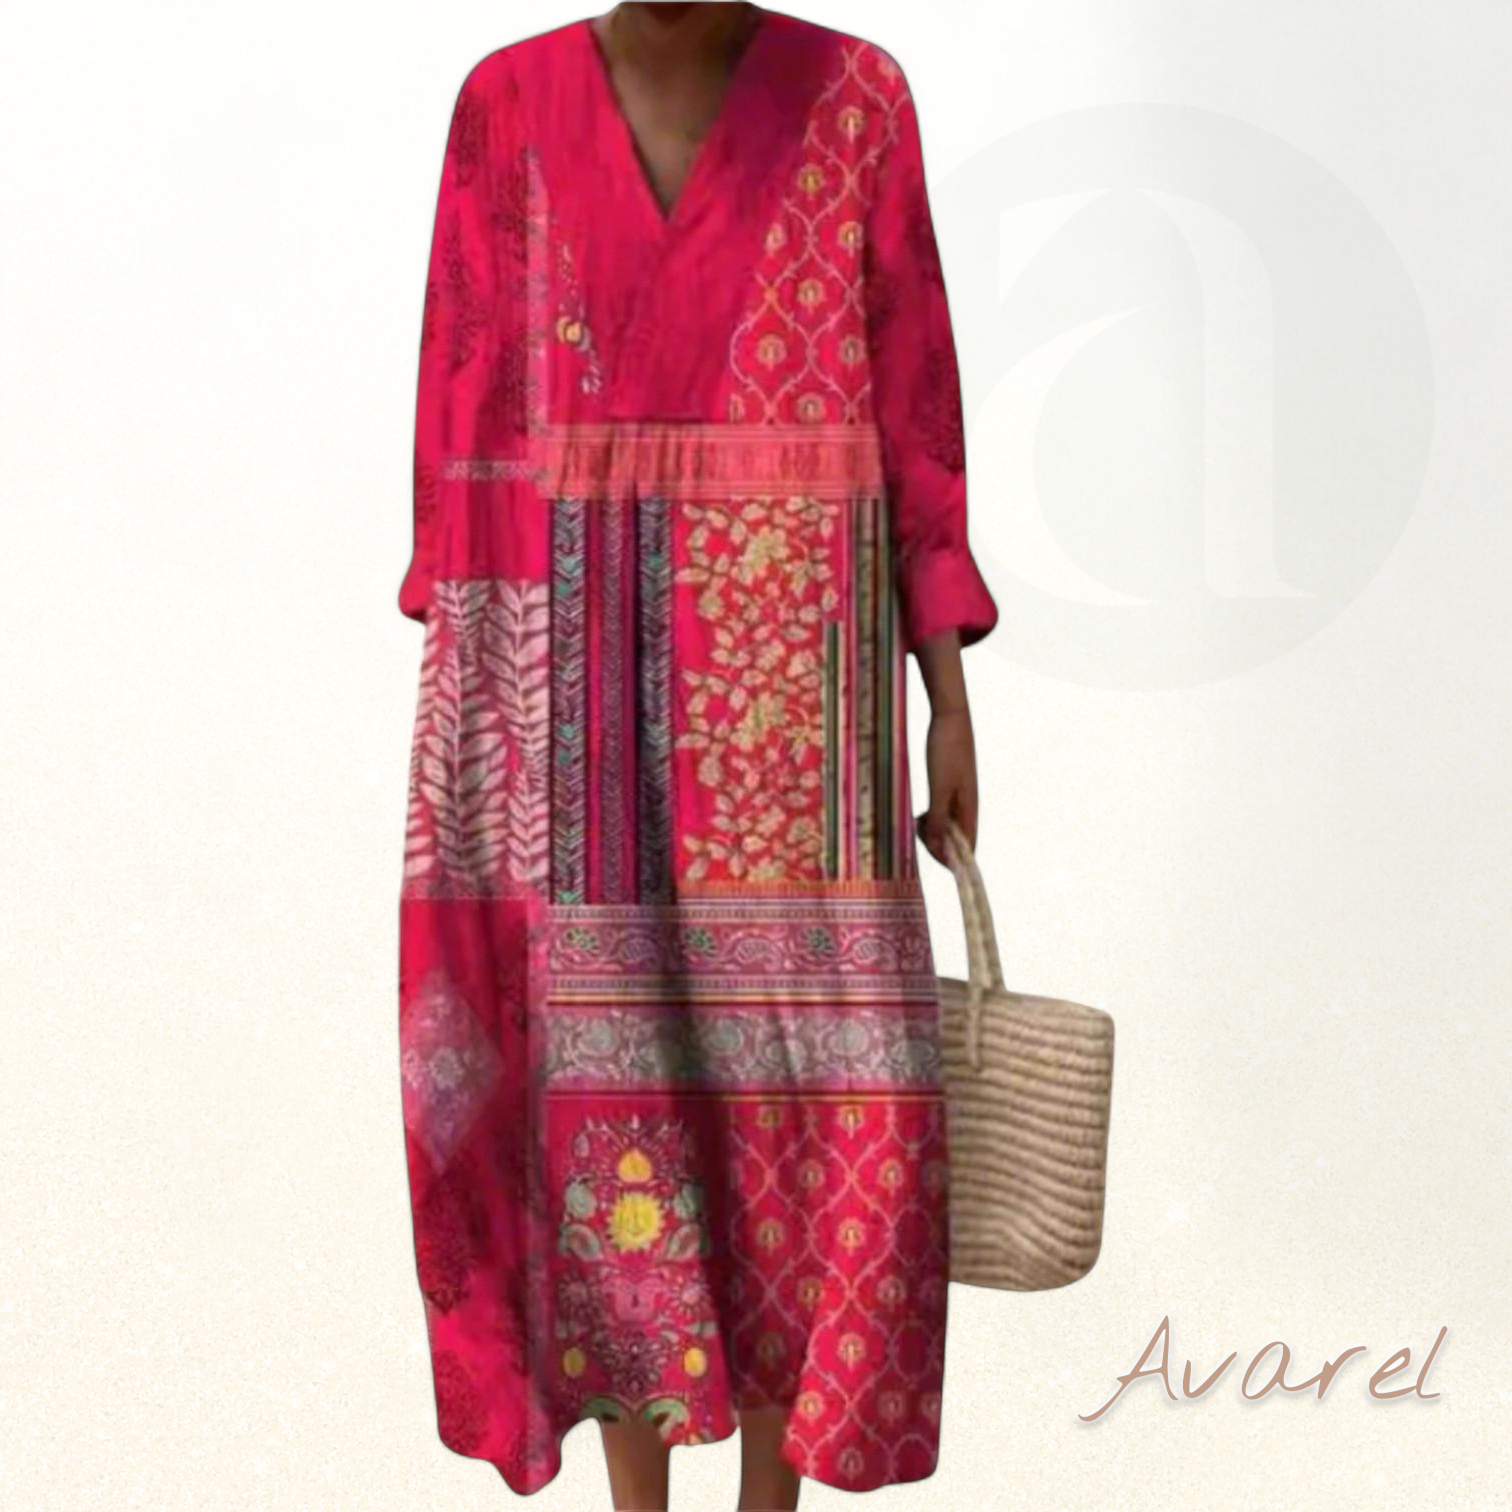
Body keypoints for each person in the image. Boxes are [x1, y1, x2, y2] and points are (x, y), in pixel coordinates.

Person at [395, 5, 998, 1508]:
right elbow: (464, 412)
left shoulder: (855, 99)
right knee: (609, 1090)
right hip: (574, 675)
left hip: (804, 685)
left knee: (814, 1099)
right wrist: (477, 716)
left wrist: (946, 688)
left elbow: (914, 404)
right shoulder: (505, 105)